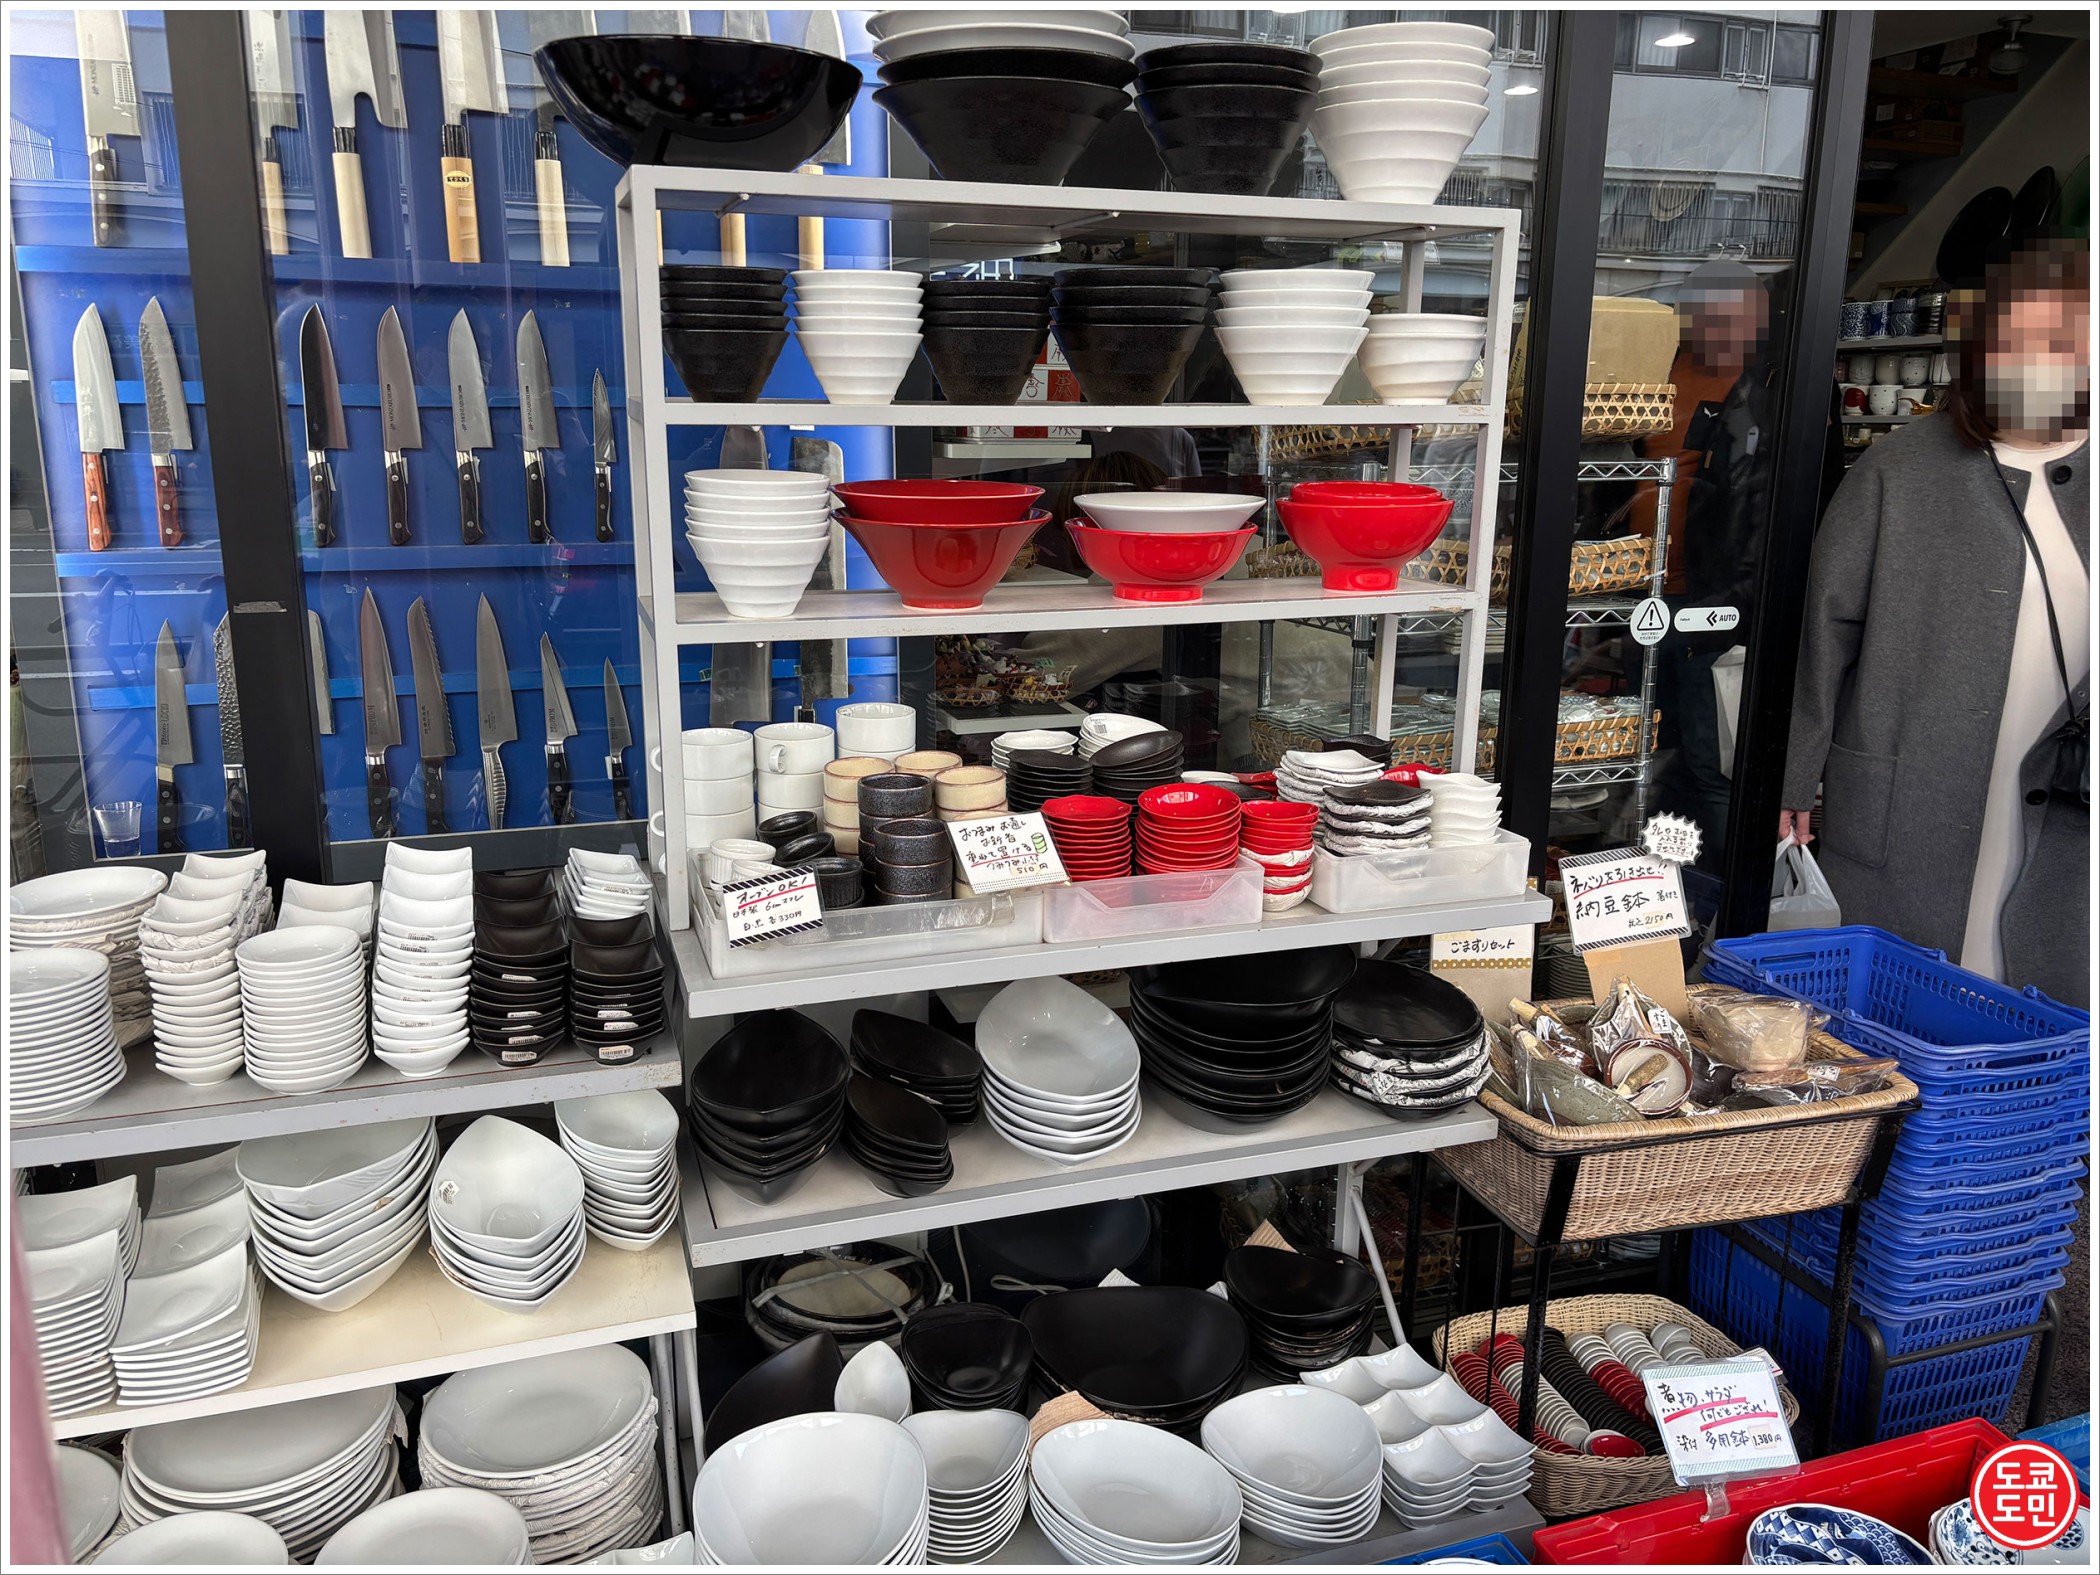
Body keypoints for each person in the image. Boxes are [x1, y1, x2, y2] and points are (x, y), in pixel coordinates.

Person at [1783, 238, 2089, 1004]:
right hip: (1913, 795)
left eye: (2071, 339)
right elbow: (1822, 629)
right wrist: (1792, 773)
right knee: (1906, 1007)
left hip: (2067, 809)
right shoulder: (1902, 469)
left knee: (2040, 1006)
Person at [1646, 259, 1778, 868]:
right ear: (1688, 318)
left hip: (1714, 608)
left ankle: (1717, 898)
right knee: (1650, 755)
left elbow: (1776, 509)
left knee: (1711, 763)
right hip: (1638, 593)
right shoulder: (1659, 371)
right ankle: (1657, 887)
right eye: (1712, 317)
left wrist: (1738, 608)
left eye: (1740, 318)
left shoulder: (1773, 387)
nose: (1726, 330)